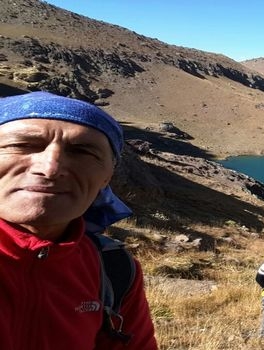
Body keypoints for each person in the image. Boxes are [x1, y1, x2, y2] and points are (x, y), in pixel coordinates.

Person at [0, 91, 158, 349]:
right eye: (22, 144)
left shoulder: (113, 269)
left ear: (107, 176)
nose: (50, 167)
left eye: (82, 151)